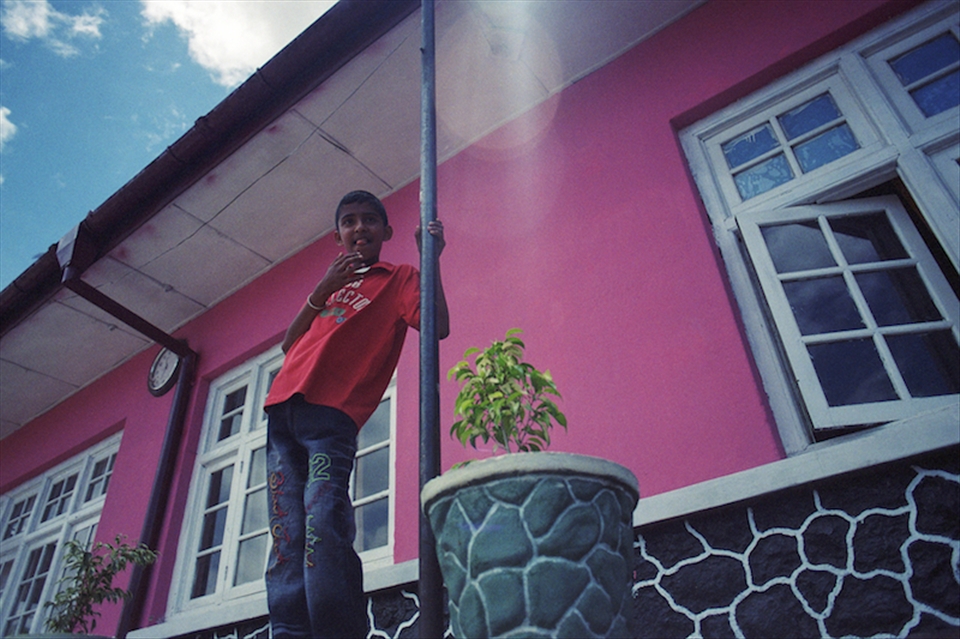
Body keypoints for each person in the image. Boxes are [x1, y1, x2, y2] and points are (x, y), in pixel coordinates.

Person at [262, 190, 449, 638]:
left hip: (331, 418)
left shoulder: (398, 277)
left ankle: (337, 630)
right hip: (283, 412)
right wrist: (321, 290)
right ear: (338, 235)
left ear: (385, 232)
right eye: (349, 221)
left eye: (369, 220)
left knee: (323, 522)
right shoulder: (331, 284)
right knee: (287, 535)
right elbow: (290, 345)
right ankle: (287, 630)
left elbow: (437, 325)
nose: (359, 227)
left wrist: (431, 258)